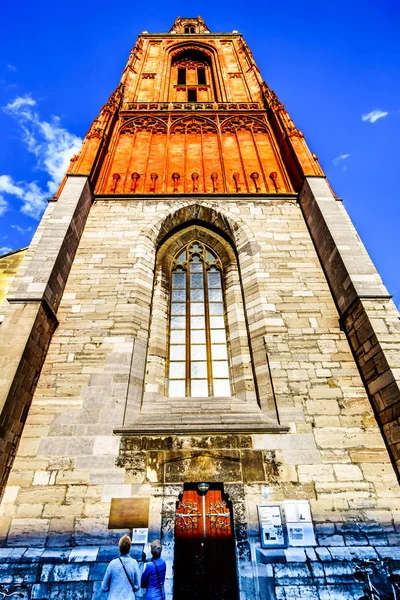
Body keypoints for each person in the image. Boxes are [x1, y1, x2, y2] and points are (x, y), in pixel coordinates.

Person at [102, 535, 141, 600]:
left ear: (119, 547)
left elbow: (104, 587)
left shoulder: (112, 564)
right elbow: (137, 586)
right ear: (129, 548)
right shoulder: (134, 563)